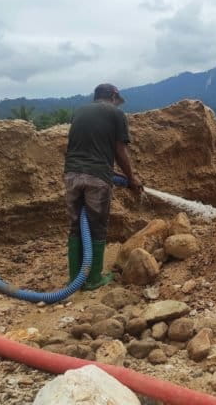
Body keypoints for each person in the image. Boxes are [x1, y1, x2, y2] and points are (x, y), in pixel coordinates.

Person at [64, 83, 142, 290]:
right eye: (118, 100)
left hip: (71, 175)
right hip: (97, 179)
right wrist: (132, 179)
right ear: (114, 96)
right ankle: (92, 279)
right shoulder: (115, 114)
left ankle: (75, 278)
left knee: (76, 226)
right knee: (96, 226)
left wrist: (112, 174)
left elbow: (86, 147)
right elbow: (120, 151)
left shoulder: (79, 111)